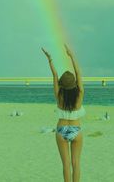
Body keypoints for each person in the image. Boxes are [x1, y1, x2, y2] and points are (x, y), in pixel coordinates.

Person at [42, 44, 85, 182]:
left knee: (66, 165)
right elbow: (78, 73)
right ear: (74, 84)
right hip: (76, 130)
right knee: (76, 164)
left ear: (62, 84)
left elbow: (54, 75)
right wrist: (71, 55)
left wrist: (50, 60)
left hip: (61, 130)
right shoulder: (79, 94)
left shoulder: (59, 95)